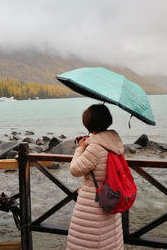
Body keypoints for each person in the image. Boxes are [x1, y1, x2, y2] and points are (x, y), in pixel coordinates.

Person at [66, 104, 124, 250]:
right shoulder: (113, 143)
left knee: (88, 242)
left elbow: (74, 170)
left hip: (92, 203)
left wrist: (80, 148)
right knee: (110, 240)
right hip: (110, 197)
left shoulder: (95, 148)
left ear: (88, 123)